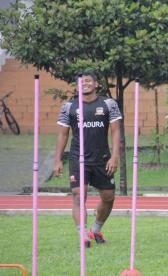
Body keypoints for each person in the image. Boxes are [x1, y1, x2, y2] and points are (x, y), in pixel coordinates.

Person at [54, 72, 122, 247]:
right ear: (77, 85)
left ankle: (96, 229)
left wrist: (115, 157)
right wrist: (58, 160)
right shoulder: (68, 106)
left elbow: (115, 131)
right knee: (78, 196)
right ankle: (83, 235)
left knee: (108, 197)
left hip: (102, 158)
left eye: (88, 81)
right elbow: (62, 134)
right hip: (78, 158)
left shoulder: (108, 104)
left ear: (96, 84)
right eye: (81, 81)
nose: (85, 83)